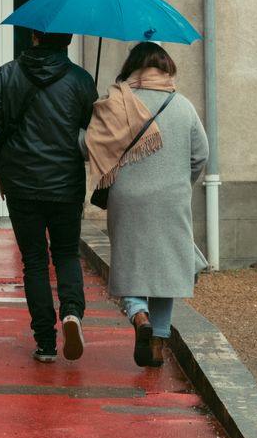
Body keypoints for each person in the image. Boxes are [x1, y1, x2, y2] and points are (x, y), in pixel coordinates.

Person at [0, 29, 98, 363]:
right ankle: (72, 313)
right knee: (66, 254)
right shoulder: (81, 80)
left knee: (34, 261)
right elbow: (94, 131)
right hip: (65, 184)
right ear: (69, 40)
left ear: (33, 37)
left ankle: (45, 341)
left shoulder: (6, 75)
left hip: (22, 184)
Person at [85, 41, 208, 368]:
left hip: (127, 197)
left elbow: (89, 147)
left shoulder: (115, 102)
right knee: (165, 266)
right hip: (171, 198)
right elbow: (201, 155)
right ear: (166, 68)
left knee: (130, 260)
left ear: (133, 67)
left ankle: (139, 314)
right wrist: (181, 182)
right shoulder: (182, 106)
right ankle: (158, 343)